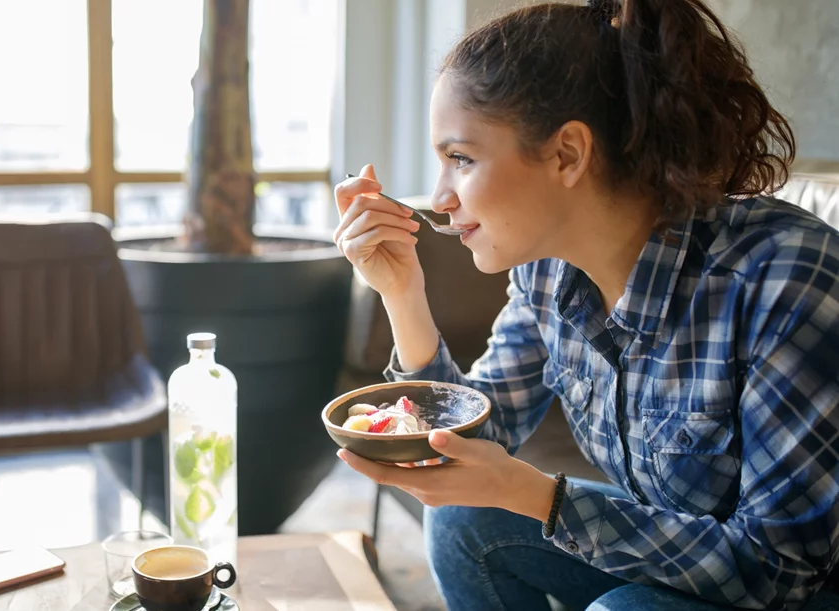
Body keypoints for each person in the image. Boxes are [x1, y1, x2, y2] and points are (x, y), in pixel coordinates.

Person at [331, 0, 839, 609]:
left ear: (568, 154)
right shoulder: (547, 274)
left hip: (789, 592)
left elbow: (781, 570)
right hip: (672, 561)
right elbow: (479, 438)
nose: (439, 197)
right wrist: (402, 294)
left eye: (461, 159)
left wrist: (540, 497)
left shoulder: (782, 278)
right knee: (464, 520)